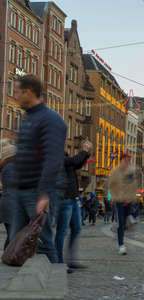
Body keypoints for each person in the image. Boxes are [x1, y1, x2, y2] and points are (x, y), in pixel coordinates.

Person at [9, 75, 66, 263]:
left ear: (29, 92)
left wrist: (44, 194)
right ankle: (21, 288)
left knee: (43, 244)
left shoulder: (51, 119)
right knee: (16, 245)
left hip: (37, 192)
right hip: (21, 190)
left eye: (17, 92)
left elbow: (53, 159)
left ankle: (54, 289)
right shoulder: (28, 119)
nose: (15, 96)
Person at [54, 142, 92, 270]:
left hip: (73, 198)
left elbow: (76, 164)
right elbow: (73, 161)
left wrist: (86, 154)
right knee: (62, 231)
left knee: (76, 229)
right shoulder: (55, 156)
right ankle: (59, 261)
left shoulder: (64, 155)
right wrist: (84, 151)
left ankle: (70, 259)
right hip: (64, 198)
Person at [109, 153, 138, 255]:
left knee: (126, 223)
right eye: (126, 159)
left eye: (129, 159)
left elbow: (133, 185)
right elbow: (111, 185)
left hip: (128, 201)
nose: (128, 161)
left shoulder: (130, 172)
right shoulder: (115, 171)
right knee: (121, 222)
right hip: (119, 200)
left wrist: (133, 197)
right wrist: (114, 196)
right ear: (122, 160)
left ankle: (125, 222)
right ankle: (121, 245)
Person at [0, 140, 17, 250]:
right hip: (10, 203)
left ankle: (8, 256)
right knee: (13, 235)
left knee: (12, 235)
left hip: (8, 202)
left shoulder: (6, 166)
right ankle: (9, 257)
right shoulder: (10, 167)